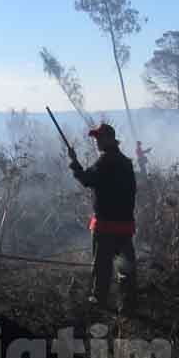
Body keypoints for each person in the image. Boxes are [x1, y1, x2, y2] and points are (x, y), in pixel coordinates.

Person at [69, 123, 137, 310]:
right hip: (125, 225)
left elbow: (86, 179)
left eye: (99, 138)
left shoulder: (104, 162)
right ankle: (128, 304)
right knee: (125, 267)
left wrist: (75, 163)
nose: (97, 142)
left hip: (106, 225)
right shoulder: (126, 162)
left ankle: (99, 301)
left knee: (102, 267)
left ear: (109, 139)